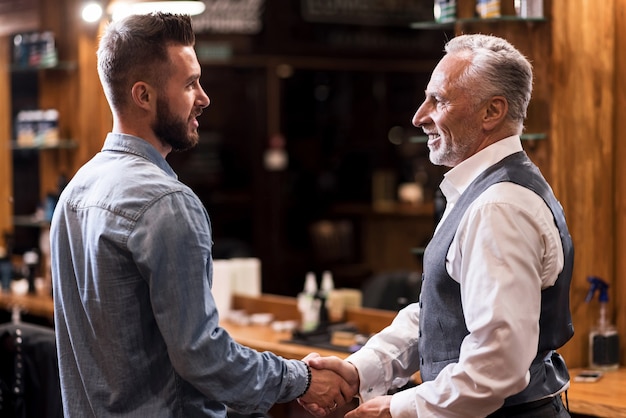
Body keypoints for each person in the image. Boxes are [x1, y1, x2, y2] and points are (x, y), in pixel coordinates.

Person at [50, 13, 356, 417]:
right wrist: (300, 379)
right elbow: (204, 357)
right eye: (190, 83)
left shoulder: (75, 191)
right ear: (143, 95)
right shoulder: (166, 203)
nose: (204, 97)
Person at [301, 34, 574, 417]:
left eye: (439, 100)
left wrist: (398, 409)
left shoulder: (498, 207)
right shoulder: (481, 192)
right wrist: (358, 370)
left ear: (491, 112)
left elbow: (497, 365)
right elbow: (440, 314)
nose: (419, 116)